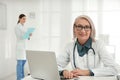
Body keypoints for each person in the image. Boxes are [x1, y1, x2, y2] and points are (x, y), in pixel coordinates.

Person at [15, 14, 32, 80]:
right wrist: (27, 34)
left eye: (25, 19)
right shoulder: (17, 27)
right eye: (23, 19)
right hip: (20, 48)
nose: (25, 20)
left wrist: (29, 35)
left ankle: (22, 78)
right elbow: (19, 37)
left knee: (23, 63)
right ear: (19, 19)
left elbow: (26, 37)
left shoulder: (24, 27)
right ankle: (19, 78)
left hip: (24, 48)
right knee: (20, 64)